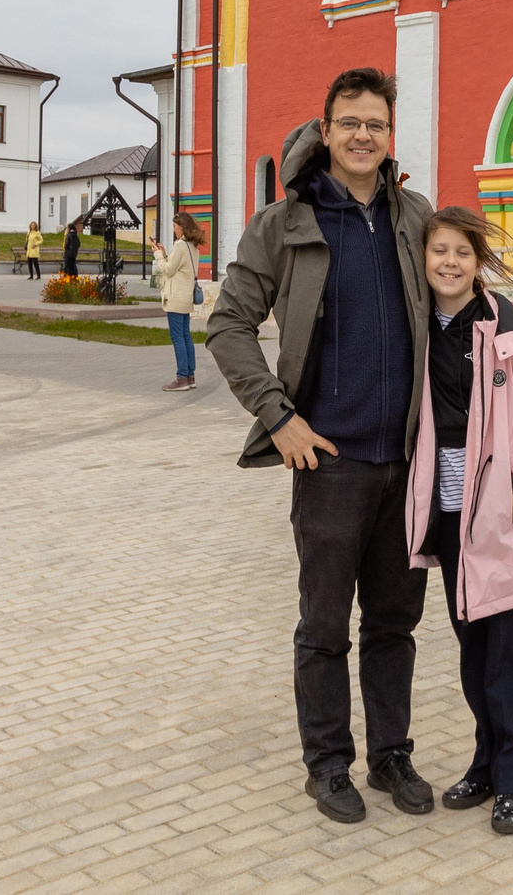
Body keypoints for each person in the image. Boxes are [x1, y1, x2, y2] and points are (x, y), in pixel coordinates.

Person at [208, 66, 434, 826]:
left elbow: (458, 308)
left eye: (375, 123)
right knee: (326, 624)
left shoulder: (414, 216)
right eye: (350, 122)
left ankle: (391, 754)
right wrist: (278, 417)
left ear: (389, 134)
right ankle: (327, 762)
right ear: (327, 128)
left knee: (395, 623)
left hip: (405, 462)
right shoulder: (287, 221)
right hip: (329, 462)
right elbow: (229, 322)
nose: (363, 135)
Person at [406, 209, 513, 837]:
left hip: (503, 517)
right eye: (438, 251)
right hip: (449, 518)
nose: (449, 263)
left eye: (461, 253)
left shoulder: (509, 334)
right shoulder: (417, 327)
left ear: (479, 263)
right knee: (474, 654)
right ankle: (484, 762)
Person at [156, 213, 204, 392]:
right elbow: (179, 267)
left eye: (175, 227)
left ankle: (182, 377)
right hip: (186, 298)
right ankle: (190, 376)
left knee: (178, 338)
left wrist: (157, 255)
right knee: (186, 336)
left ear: (182, 227)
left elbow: (168, 271)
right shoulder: (193, 246)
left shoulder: (180, 245)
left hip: (175, 297)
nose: (174, 230)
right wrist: (165, 254)